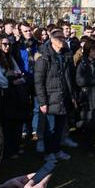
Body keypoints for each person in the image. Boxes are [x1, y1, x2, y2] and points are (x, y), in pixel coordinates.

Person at [34, 31, 75, 163]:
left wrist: (72, 95)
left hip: (63, 97)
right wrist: (42, 102)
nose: (62, 40)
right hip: (50, 98)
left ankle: (56, 150)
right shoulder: (44, 57)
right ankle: (49, 152)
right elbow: (39, 81)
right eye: (59, 38)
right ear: (52, 40)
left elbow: (69, 78)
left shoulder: (65, 56)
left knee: (59, 127)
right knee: (49, 128)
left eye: (63, 38)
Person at [0, 34, 29, 160]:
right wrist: (14, 79)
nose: (7, 47)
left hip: (16, 93)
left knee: (17, 121)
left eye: (8, 44)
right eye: (4, 44)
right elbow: (2, 81)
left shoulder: (10, 57)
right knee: (8, 123)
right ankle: (9, 150)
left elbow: (19, 74)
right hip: (5, 95)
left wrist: (16, 78)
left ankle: (16, 146)